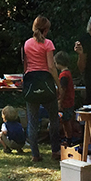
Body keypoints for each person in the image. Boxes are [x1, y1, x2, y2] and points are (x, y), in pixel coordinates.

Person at [22, 15, 61, 163]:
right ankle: (55, 150)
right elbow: (51, 67)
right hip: (45, 82)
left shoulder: (27, 44)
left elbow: (25, 65)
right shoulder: (48, 44)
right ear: (46, 30)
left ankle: (35, 154)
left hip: (32, 82)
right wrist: (58, 85)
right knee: (53, 117)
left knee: (32, 120)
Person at [54, 50, 80, 141]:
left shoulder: (63, 75)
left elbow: (63, 89)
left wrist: (60, 101)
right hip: (70, 100)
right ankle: (68, 136)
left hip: (66, 102)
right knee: (67, 120)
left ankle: (68, 137)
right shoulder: (68, 73)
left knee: (66, 121)